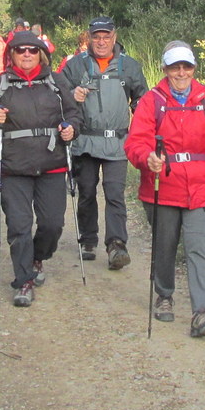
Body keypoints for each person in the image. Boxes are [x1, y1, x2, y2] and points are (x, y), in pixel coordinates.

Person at [124, 40, 205, 337]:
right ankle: (164, 296)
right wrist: (146, 157)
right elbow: (136, 142)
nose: (181, 72)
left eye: (186, 66)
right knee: (164, 247)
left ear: (193, 68)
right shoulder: (152, 101)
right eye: (175, 67)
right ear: (165, 68)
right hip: (162, 185)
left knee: (197, 248)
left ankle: (202, 312)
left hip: (204, 186)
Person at [0, 30, 82, 307]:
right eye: (20, 50)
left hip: (52, 166)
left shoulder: (56, 83)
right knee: (19, 226)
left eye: (32, 50)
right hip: (13, 168)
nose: (26, 55)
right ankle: (24, 281)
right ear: (11, 54)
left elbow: (73, 114)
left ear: (41, 54)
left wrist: (71, 129)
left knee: (52, 224)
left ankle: (37, 258)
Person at [61, 16, 148, 269]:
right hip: (85, 141)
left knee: (115, 193)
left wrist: (141, 131)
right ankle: (88, 239)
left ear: (114, 37)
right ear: (89, 38)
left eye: (106, 36)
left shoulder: (129, 66)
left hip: (118, 142)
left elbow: (142, 100)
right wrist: (71, 94)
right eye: (96, 37)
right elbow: (57, 95)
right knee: (86, 191)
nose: (101, 42)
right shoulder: (75, 66)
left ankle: (116, 245)